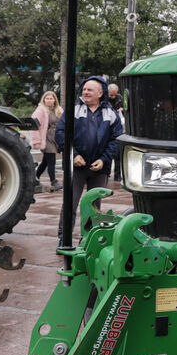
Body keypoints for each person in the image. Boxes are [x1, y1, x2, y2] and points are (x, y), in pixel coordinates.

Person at [56, 76, 123, 240]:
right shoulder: (73, 110)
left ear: (100, 93)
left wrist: (104, 159)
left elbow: (117, 139)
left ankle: (87, 240)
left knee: (94, 206)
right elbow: (60, 133)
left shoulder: (111, 113)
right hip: (76, 166)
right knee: (70, 203)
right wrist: (74, 154)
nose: (85, 92)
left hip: (100, 167)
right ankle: (64, 238)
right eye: (84, 89)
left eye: (89, 90)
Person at [31, 90, 63, 191]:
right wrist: (36, 141)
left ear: (55, 100)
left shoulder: (58, 110)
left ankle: (35, 177)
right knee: (51, 160)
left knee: (45, 161)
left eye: (51, 98)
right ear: (44, 100)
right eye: (47, 98)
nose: (49, 100)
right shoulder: (40, 111)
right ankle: (54, 181)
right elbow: (34, 126)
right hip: (46, 138)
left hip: (55, 138)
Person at [107, 82, 125, 181]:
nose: (113, 97)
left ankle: (117, 175)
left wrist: (122, 109)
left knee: (118, 154)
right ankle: (107, 172)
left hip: (118, 128)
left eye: (114, 94)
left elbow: (126, 108)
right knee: (108, 153)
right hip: (108, 128)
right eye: (111, 95)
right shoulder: (104, 99)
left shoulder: (120, 98)